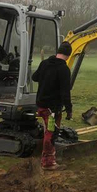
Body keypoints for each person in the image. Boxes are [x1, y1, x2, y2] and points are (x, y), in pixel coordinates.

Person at [32, 41, 73, 171]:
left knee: (48, 131)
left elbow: (35, 77)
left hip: (41, 105)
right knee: (51, 133)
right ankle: (48, 162)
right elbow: (65, 92)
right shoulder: (64, 70)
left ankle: (48, 158)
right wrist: (69, 109)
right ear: (68, 55)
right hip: (52, 109)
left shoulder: (44, 64)